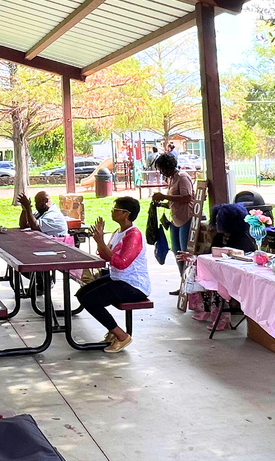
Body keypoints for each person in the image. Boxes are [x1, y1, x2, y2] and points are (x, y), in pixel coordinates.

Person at [76, 196, 149, 354]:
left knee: (91, 300)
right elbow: (105, 255)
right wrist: (99, 241)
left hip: (133, 284)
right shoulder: (118, 232)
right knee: (82, 293)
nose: (112, 212)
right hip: (118, 278)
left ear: (126, 214)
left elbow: (121, 262)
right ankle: (112, 330)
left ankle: (121, 336)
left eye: (115, 209)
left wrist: (101, 242)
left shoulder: (134, 235)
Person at [150, 152, 195, 257]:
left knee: (184, 252)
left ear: (168, 167)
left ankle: (186, 273)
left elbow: (187, 197)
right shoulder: (172, 178)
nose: (161, 173)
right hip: (175, 220)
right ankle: (181, 272)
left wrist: (164, 196)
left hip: (186, 218)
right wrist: (161, 204)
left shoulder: (182, 177)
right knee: (176, 251)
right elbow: (174, 202)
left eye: (162, 169)